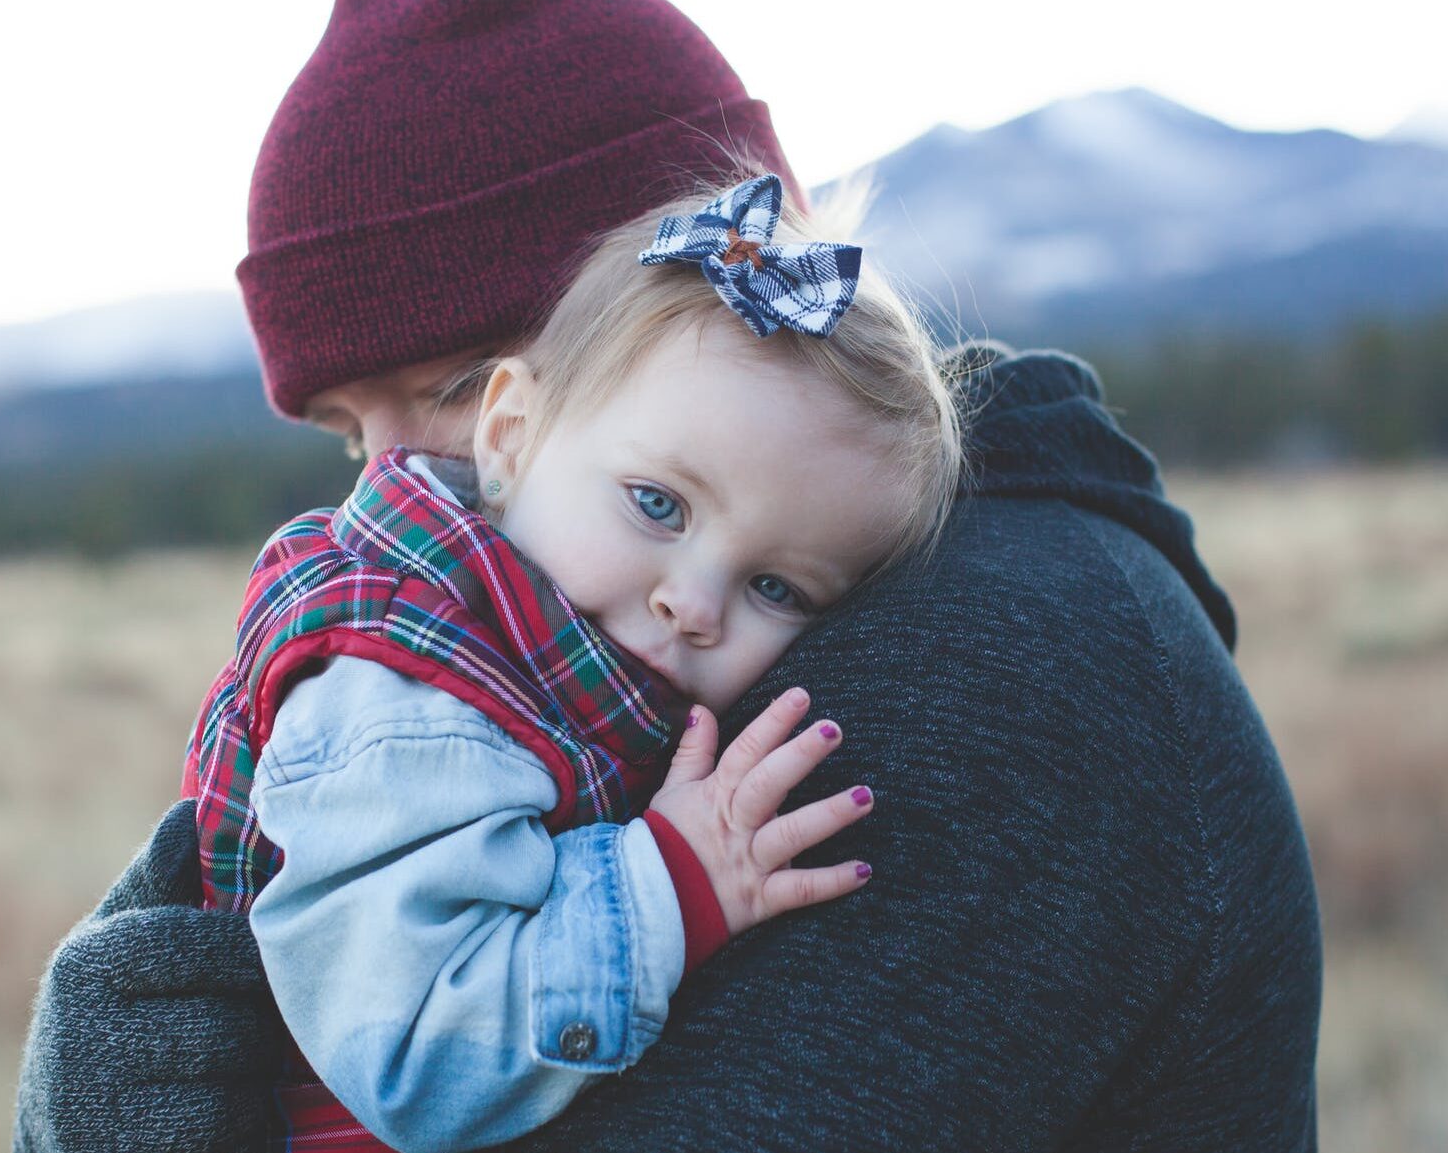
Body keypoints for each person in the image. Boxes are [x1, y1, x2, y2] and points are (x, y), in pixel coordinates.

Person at [13, 0, 1323, 1150]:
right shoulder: (591, 652)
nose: (390, 492)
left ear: (707, 305)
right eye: (352, 436)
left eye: (459, 394)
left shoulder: (987, 681)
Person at [181, 172, 961, 1150]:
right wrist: (671, 878)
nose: (696, 602)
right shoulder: (406, 696)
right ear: (510, 435)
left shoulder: (560, 655)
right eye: (657, 503)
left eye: (778, 587)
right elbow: (420, 1057)